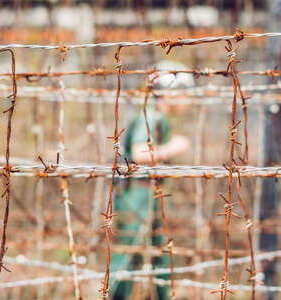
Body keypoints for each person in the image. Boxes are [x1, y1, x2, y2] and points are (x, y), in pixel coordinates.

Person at [109, 61, 192, 299]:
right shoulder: (150, 116)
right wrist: (172, 148)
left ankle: (162, 293)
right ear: (168, 93)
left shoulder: (159, 118)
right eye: (184, 91)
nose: (188, 98)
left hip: (149, 195)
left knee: (160, 251)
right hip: (137, 195)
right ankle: (116, 294)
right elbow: (139, 153)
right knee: (128, 253)